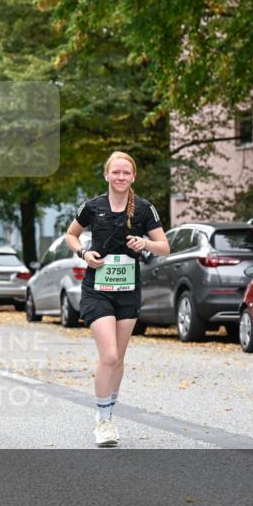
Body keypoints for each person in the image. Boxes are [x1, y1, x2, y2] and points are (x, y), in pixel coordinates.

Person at [65, 151, 169, 447]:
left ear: (133, 177)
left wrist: (145, 242)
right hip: (97, 289)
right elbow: (70, 236)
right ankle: (102, 421)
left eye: (126, 173)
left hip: (128, 291)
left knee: (119, 358)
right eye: (116, 172)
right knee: (108, 355)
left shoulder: (145, 209)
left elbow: (164, 247)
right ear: (106, 175)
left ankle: (109, 414)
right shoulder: (92, 206)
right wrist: (84, 253)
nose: (121, 177)